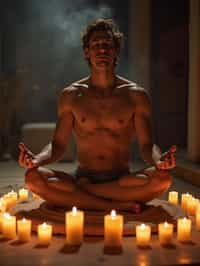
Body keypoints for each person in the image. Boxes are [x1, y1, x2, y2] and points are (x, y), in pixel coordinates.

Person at [18, 19, 176, 213]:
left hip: (121, 181)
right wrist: (37, 160)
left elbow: (147, 146)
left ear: (116, 51)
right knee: (32, 177)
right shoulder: (71, 95)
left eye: (107, 44)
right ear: (87, 52)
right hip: (83, 176)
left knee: (163, 178)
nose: (102, 50)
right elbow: (58, 145)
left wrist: (159, 161)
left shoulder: (136, 95)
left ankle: (87, 195)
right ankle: (112, 204)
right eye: (96, 45)